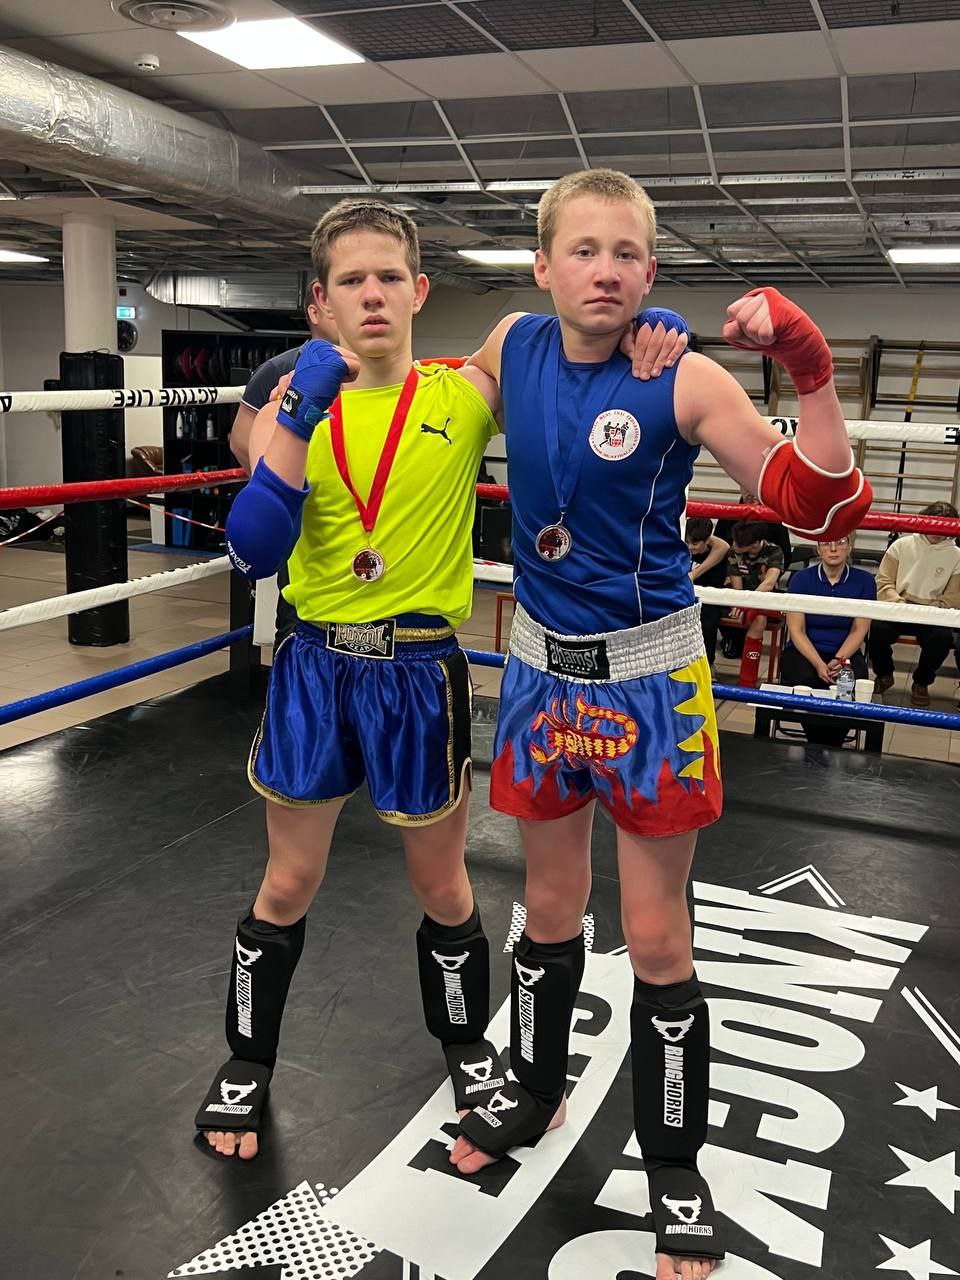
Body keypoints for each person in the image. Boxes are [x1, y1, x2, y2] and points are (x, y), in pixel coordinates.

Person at [195, 196, 687, 1163]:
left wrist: (649, 329)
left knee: (443, 884)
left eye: (389, 277)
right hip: (314, 665)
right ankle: (246, 1060)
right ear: (320, 303)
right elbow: (253, 549)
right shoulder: (298, 410)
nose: (372, 295)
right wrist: (287, 404)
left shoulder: (464, 396)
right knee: (288, 880)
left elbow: (564, 356)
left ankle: (467, 1048)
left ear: (420, 290)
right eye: (350, 281)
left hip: (420, 669)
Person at [449, 167, 871, 1280]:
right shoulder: (510, 344)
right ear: (542, 267)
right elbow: (426, 410)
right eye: (583, 250)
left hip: (651, 687)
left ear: (651, 270)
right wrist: (306, 382)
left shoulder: (682, 375)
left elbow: (816, 505)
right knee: (546, 908)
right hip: (540, 675)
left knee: (656, 936)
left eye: (627, 253)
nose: (605, 270)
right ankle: (533, 1087)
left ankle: (674, 1163)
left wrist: (809, 370)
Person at [228, 284, 340, 641]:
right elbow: (241, 440)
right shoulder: (280, 369)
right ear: (314, 312)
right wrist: (279, 496)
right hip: (301, 519)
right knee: (296, 614)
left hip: (350, 523)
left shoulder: (372, 368)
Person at [781, 536, 876, 745]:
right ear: (818, 548)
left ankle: (828, 746)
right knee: (806, 680)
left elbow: (859, 630)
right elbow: (796, 630)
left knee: (851, 684)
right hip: (805, 651)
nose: (833, 549)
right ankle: (820, 746)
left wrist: (838, 660)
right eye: (826, 543)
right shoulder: (801, 579)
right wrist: (818, 664)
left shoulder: (865, 581)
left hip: (845, 653)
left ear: (850, 547)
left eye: (840, 542)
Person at [868, 501, 960, 707]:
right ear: (925, 520)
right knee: (876, 629)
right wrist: (897, 602)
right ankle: (884, 674)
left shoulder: (956, 555)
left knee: (942, 638)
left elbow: (955, 595)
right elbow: (884, 581)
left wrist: (936, 607)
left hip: (932, 612)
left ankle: (921, 682)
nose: (937, 531)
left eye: (943, 526)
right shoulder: (901, 545)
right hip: (898, 607)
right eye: (934, 523)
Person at [726, 520, 785, 687]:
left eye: (739, 543)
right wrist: (739, 604)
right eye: (734, 541)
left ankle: (747, 682)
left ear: (755, 543)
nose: (734, 545)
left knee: (759, 617)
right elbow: (736, 585)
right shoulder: (733, 552)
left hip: (766, 600)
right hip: (741, 599)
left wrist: (746, 605)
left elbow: (769, 583)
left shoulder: (774, 551)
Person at [684, 516, 729, 667]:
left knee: (708, 618)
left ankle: (708, 664)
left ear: (707, 540)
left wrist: (694, 574)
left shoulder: (717, 555)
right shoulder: (680, 549)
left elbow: (723, 546)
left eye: (695, 543)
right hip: (683, 595)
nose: (690, 547)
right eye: (687, 542)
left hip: (706, 598)